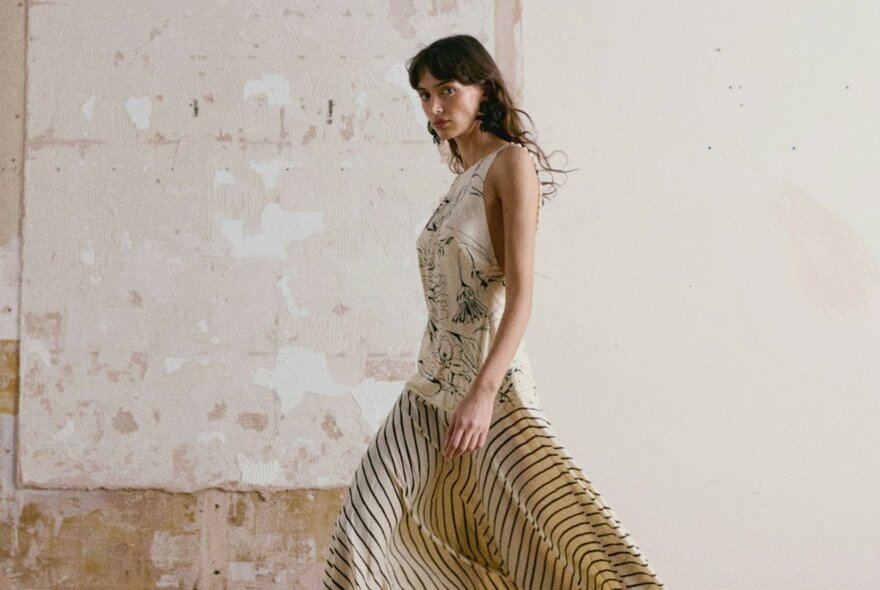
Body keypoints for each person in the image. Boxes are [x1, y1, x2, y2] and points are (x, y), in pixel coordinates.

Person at [322, 34, 664, 589]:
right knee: (363, 534)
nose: (435, 107)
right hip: (429, 390)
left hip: (493, 392)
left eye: (447, 90)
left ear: (483, 89)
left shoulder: (511, 164)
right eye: (424, 95)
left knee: (553, 554)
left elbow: (521, 295)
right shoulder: (461, 178)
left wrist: (482, 396)